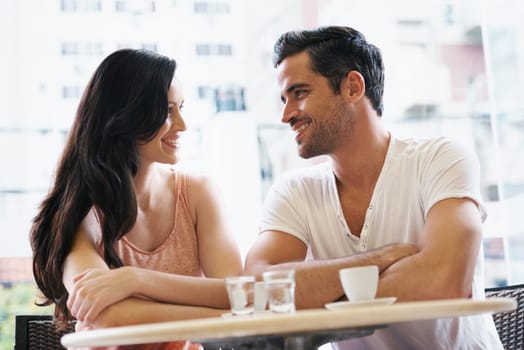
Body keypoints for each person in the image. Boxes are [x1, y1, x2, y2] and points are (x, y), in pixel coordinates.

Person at [243, 26, 502, 349]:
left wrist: (312, 290)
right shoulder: (294, 191)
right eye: (284, 99)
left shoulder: (441, 158)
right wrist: (384, 259)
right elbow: (256, 286)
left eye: (300, 93)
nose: (286, 115)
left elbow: (443, 280)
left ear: (352, 87)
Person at [30, 48, 243, 349]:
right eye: (168, 111)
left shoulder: (198, 193)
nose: (182, 125)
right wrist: (219, 312)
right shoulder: (79, 213)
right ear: (126, 115)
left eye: (181, 108)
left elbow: (238, 294)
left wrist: (135, 280)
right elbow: (111, 318)